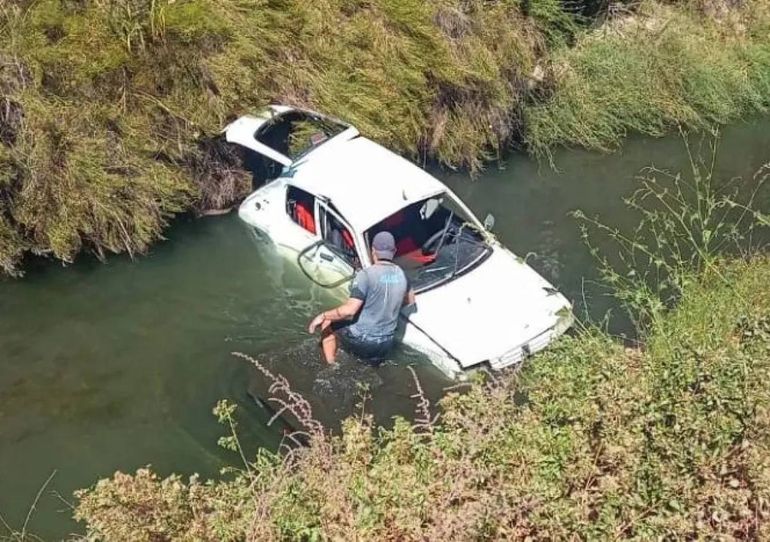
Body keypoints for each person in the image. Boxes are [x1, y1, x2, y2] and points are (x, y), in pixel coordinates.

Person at [308, 231, 415, 364]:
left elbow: (349, 310)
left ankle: (332, 366)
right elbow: (410, 300)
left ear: (373, 251)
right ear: (394, 250)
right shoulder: (402, 274)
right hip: (386, 343)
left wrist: (323, 315)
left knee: (328, 322)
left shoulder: (366, 274)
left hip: (364, 341)